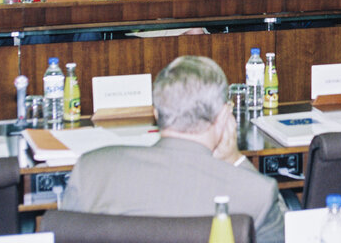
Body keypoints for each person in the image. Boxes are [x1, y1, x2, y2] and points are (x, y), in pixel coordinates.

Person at [61, 55, 286, 243]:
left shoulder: (90, 171)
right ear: (225, 117)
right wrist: (235, 160)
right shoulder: (257, 193)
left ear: (156, 114)